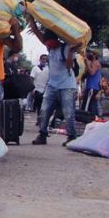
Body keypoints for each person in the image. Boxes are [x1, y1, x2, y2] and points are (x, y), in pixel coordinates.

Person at [27, 15, 81, 146]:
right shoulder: (49, 47)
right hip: (52, 85)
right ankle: (42, 134)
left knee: (68, 112)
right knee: (44, 110)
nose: (48, 44)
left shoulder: (66, 48)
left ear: (55, 39)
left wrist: (71, 52)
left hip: (67, 85)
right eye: (47, 42)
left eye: (50, 42)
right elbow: (35, 31)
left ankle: (72, 136)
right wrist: (31, 18)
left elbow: (69, 66)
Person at [82, 50, 102, 116]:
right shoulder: (92, 63)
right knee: (92, 107)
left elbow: (92, 73)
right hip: (91, 88)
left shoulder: (96, 63)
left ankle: (88, 121)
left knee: (86, 108)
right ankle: (95, 120)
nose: (89, 54)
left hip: (92, 88)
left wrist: (87, 63)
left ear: (95, 55)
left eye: (91, 53)